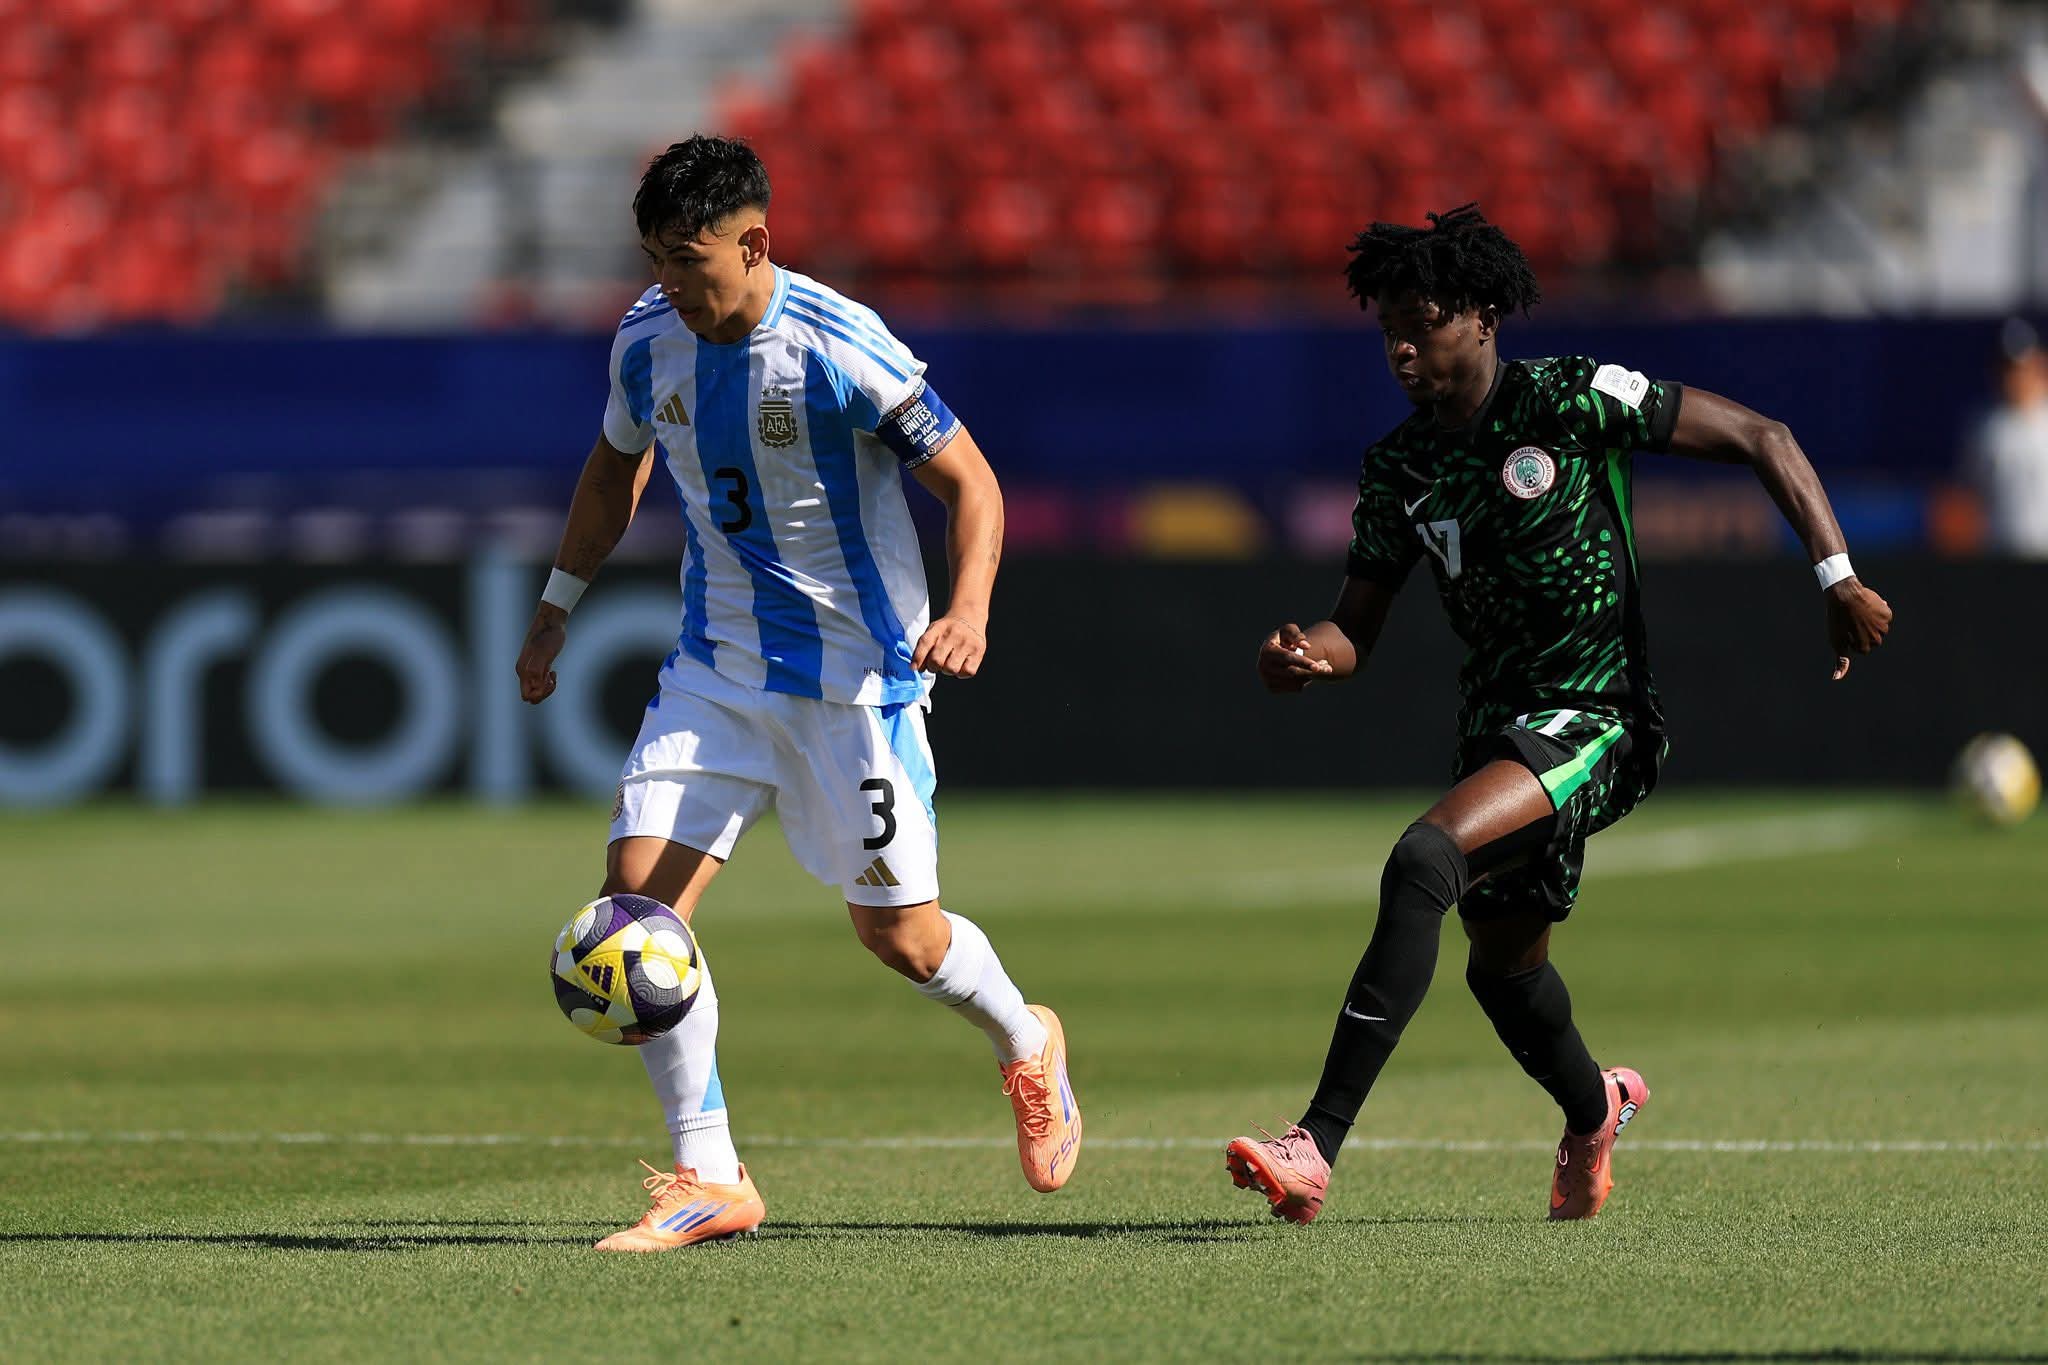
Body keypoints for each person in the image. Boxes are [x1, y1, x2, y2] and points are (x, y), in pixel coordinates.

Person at [1223, 205, 1892, 1224]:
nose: (1403, 343)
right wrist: (1311, 656)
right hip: (1496, 729)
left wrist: (1834, 578)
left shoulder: (1571, 398)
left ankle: (1313, 1145)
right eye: (1389, 325)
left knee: (1421, 862)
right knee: (1503, 972)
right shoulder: (1397, 468)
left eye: (1426, 318)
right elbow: (1357, 622)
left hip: (1597, 714)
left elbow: (1764, 436)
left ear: (1484, 316)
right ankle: (1595, 1110)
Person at [515, 135, 1081, 1252]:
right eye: (657, 260)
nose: (671, 283)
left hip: (854, 686)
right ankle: (709, 1174)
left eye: (690, 260)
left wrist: (965, 611)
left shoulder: (838, 347)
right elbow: (609, 468)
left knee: (904, 942)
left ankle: (1025, 1039)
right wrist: (555, 603)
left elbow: (972, 484)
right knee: (637, 913)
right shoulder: (646, 341)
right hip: (715, 672)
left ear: (753, 242)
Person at [1968, 318, 2048, 557]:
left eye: (2021, 368)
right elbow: (1972, 498)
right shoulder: (1987, 430)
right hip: (2003, 559)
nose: (2015, 378)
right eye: (2007, 369)